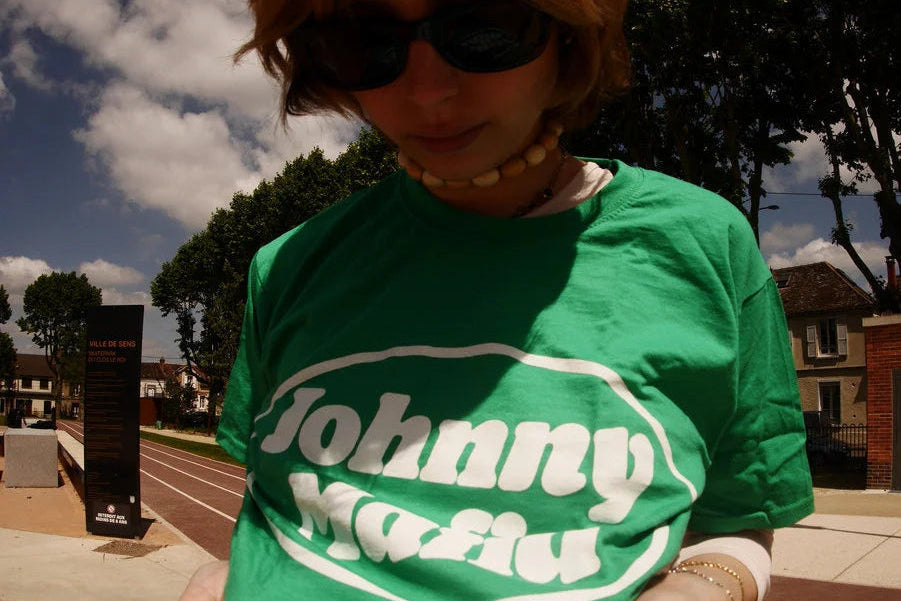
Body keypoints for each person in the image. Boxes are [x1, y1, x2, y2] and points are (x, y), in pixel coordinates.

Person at [181, 1, 814, 599]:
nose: (429, 92)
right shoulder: (288, 265)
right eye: (365, 42)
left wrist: (703, 583)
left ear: (569, 29)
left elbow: (739, 517)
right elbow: (273, 507)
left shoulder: (707, 248)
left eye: (484, 25)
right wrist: (221, 576)